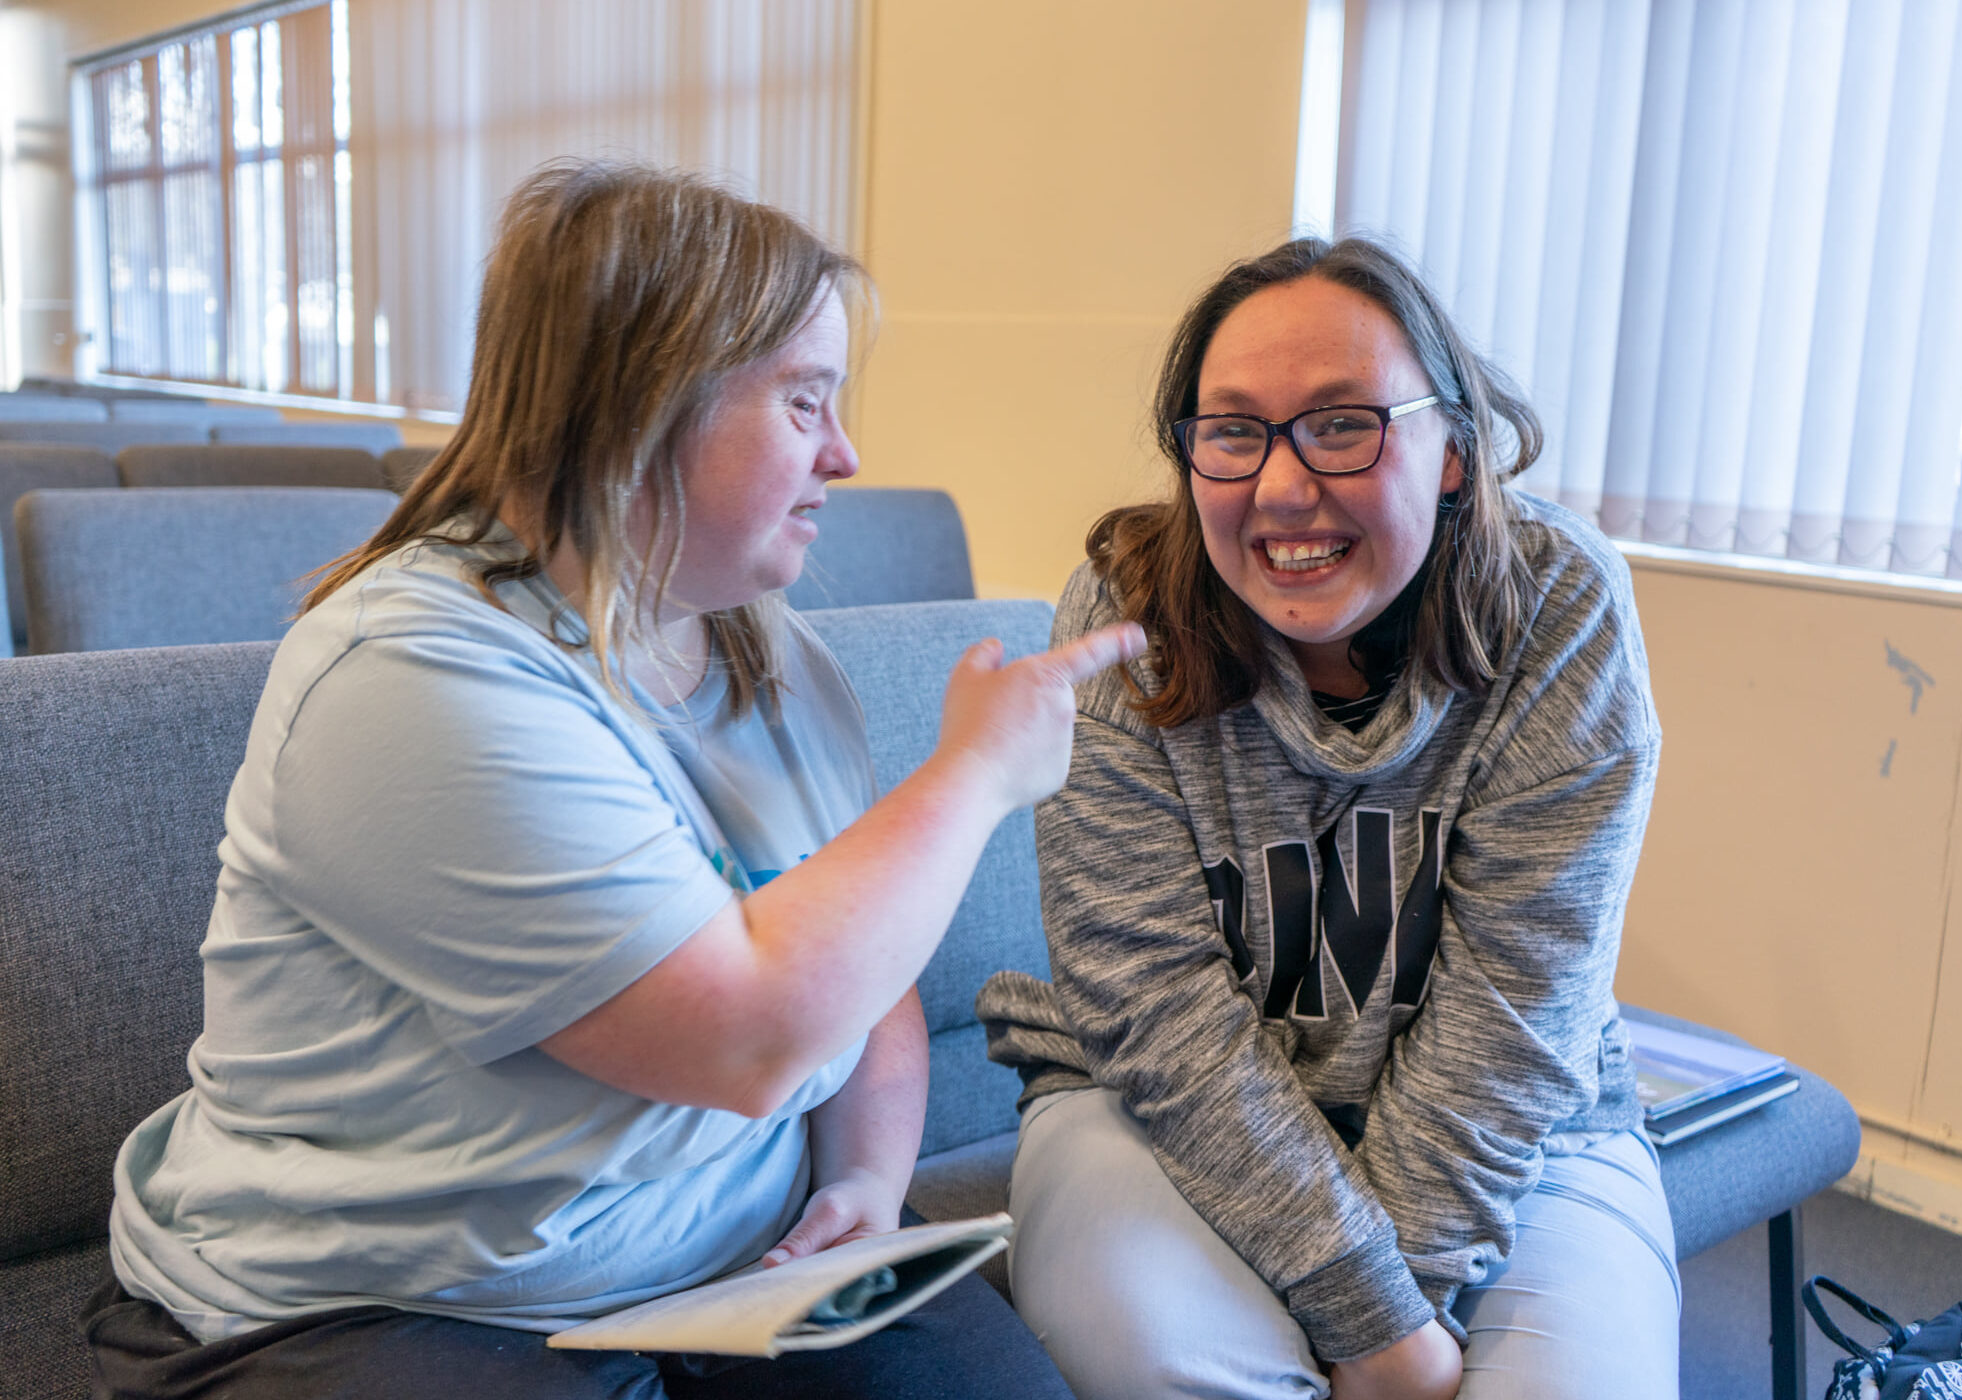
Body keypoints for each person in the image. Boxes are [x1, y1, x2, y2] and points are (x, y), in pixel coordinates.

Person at [82, 161, 1139, 1400]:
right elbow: (745, 1036)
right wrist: (971, 775)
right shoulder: (412, 678)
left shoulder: (767, 643)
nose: (846, 454)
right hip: (385, 1303)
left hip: (731, 1263)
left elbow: (865, 971)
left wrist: (860, 1178)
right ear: (648, 406)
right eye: (803, 401)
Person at [977, 236, 1680, 1400]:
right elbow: (1153, 1010)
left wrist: (1381, 1308)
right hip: (1158, 1104)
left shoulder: (1559, 605)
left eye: (1342, 422)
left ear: (1452, 449)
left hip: (1522, 1129)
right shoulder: (1121, 607)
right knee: (1183, 1364)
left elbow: (1514, 1011)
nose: (1282, 486)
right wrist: (1377, 1323)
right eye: (1233, 430)